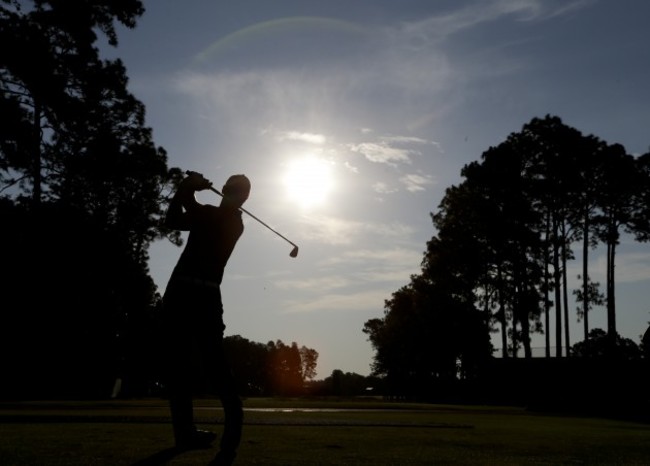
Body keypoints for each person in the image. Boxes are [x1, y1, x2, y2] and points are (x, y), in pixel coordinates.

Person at [161, 171, 251, 465]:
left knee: (216, 367)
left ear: (244, 197)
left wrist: (188, 188)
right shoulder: (210, 214)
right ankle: (185, 434)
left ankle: (232, 437)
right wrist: (185, 190)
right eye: (227, 188)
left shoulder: (232, 223)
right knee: (177, 368)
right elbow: (171, 221)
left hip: (206, 298)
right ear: (223, 189)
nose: (229, 192)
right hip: (180, 295)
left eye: (236, 191)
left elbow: (193, 210)